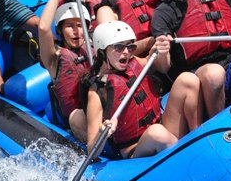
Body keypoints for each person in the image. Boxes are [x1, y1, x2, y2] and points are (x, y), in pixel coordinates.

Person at [86, 21, 201, 159]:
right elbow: (91, 152)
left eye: (130, 46)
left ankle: (199, 137)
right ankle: (189, 159)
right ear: (102, 51)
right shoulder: (97, 92)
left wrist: (158, 49)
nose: (126, 52)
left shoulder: (133, 63)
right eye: (118, 47)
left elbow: (155, 63)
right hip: (135, 151)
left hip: (161, 126)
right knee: (156, 133)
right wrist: (102, 132)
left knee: (187, 79)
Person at [37, 0, 92, 141]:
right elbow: (43, 28)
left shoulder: (94, 48)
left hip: (98, 111)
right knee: (78, 116)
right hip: (74, 119)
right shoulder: (55, 59)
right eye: (69, 26)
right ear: (60, 31)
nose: (76, 31)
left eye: (80, 25)